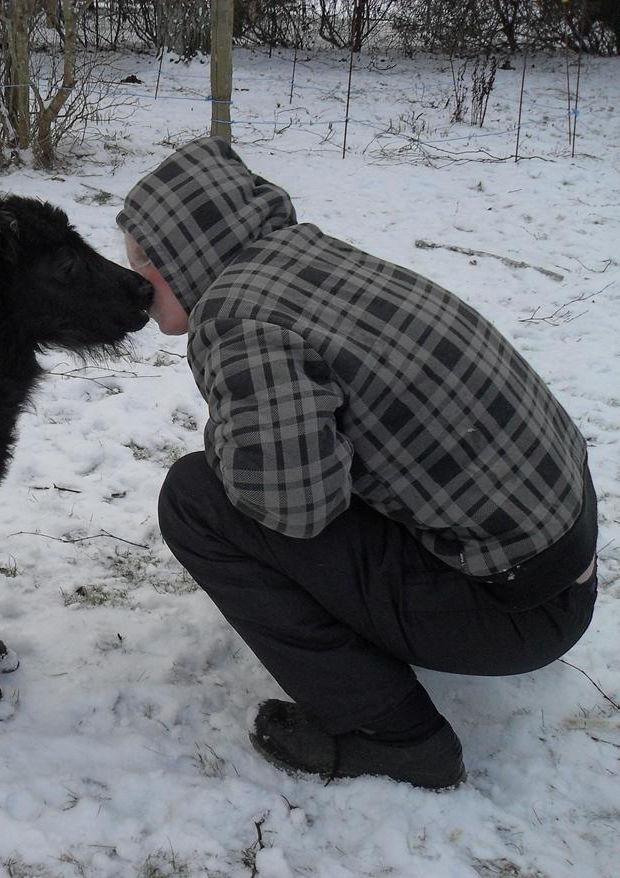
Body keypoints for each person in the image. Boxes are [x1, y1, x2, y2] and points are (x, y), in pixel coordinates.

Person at [118, 136, 598, 790]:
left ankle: (398, 735)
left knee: (195, 499)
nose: (131, 278)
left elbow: (294, 506)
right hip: (563, 552)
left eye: (143, 257)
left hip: (521, 608)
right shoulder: (303, 257)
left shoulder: (237, 319)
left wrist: (225, 443)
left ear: (187, 248)